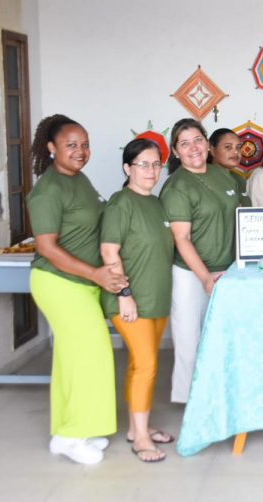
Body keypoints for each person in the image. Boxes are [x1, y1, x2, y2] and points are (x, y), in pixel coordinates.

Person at [27, 114, 128, 465]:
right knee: (91, 355)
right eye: (71, 145)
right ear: (51, 148)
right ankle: (73, 435)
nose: (80, 151)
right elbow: (47, 248)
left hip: (82, 283)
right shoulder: (48, 190)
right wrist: (96, 274)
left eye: (85, 144)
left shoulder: (79, 179)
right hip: (60, 283)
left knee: (72, 358)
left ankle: (67, 432)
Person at [100, 138, 175, 462]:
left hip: (156, 298)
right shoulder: (121, 203)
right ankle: (141, 439)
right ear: (127, 168)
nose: (151, 170)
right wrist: (124, 295)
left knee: (140, 364)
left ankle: (136, 427)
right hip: (131, 300)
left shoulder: (156, 204)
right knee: (146, 365)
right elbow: (109, 252)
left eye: (156, 164)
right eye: (143, 164)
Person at [159, 118, 244, 404]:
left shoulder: (224, 176)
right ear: (175, 151)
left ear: (207, 144)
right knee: (189, 340)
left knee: (221, 338)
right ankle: (191, 401)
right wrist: (205, 277)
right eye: (185, 144)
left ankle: (217, 395)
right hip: (191, 274)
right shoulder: (177, 186)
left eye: (197, 140)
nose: (193, 148)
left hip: (228, 271)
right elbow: (181, 238)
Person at [208, 128, 252, 206]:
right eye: (228, 147)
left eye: (238, 147)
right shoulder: (204, 179)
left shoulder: (239, 179)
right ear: (212, 150)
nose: (235, 152)